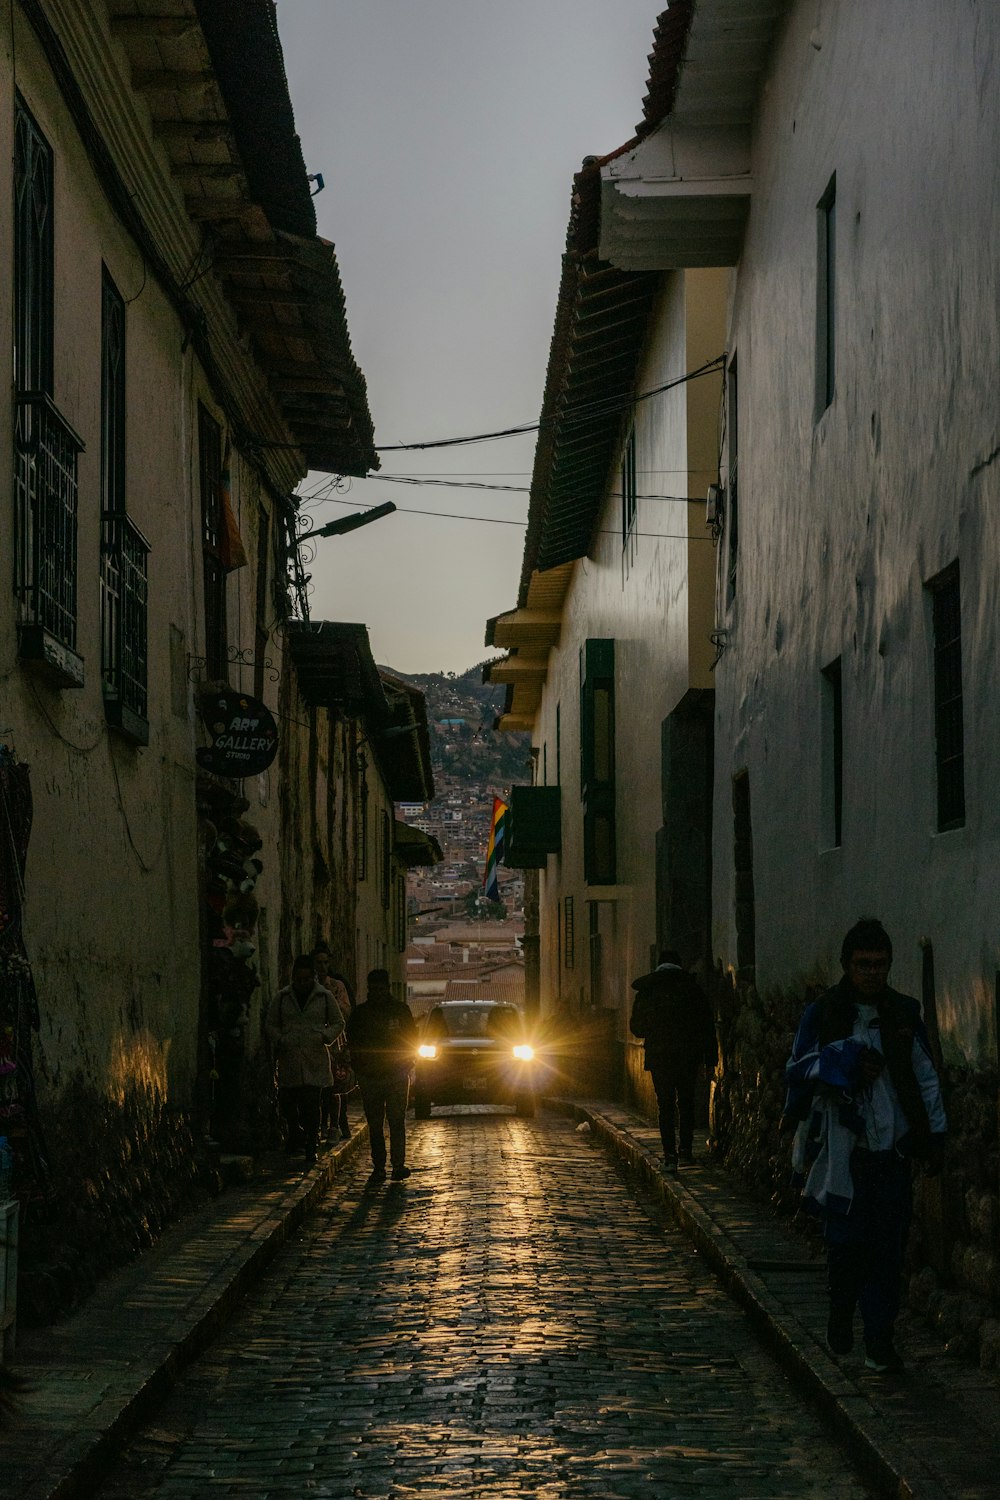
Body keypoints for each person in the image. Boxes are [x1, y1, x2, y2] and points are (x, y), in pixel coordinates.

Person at [784, 918, 946, 1374]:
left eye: (879, 964)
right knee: (845, 1245)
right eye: (863, 965)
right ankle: (841, 1312)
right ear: (847, 966)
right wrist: (845, 1067)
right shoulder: (824, 1014)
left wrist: (932, 1138)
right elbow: (798, 1069)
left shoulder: (902, 1015)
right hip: (843, 1154)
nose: (872, 972)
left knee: (886, 1251)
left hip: (889, 1154)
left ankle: (879, 1341)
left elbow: (926, 1079)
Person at [629, 949, 716, 1173]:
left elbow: (636, 1028)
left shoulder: (648, 991)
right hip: (689, 1057)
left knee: (665, 1105)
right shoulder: (692, 989)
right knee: (686, 1102)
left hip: (660, 1057)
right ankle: (686, 1150)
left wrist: (655, 1028)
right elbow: (707, 1026)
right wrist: (710, 1060)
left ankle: (670, 1156)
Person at [265, 953, 345, 1169]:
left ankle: (311, 1144)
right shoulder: (282, 997)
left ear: (313, 977)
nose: (302, 983)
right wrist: (280, 1040)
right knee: (289, 1105)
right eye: (299, 979)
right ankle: (296, 1134)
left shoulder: (324, 997)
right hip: (290, 1059)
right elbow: (271, 1024)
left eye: (306, 979)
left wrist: (324, 1037)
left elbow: (338, 1022)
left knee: (312, 1105)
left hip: (314, 1059)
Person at [347, 969, 418, 1184]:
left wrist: (407, 1063)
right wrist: (360, 1068)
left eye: (380, 988)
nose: (377, 993)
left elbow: (412, 1038)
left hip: (396, 1075)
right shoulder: (361, 1014)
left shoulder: (400, 1011)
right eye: (373, 989)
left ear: (387, 988)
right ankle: (378, 1167)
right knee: (375, 1125)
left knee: (397, 1121)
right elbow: (353, 1042)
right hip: (370, 1077)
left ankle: (398, 1165)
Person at [312, 943, 353, 1144]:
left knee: (335, 1087)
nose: (322, 966)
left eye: (325, 962)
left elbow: (346, 1011)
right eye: (318, 963)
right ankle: (318, 1127)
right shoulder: (307, 987)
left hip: (335, 1042)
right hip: (313, 1042)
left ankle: (334, 1126)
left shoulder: (337, 986)